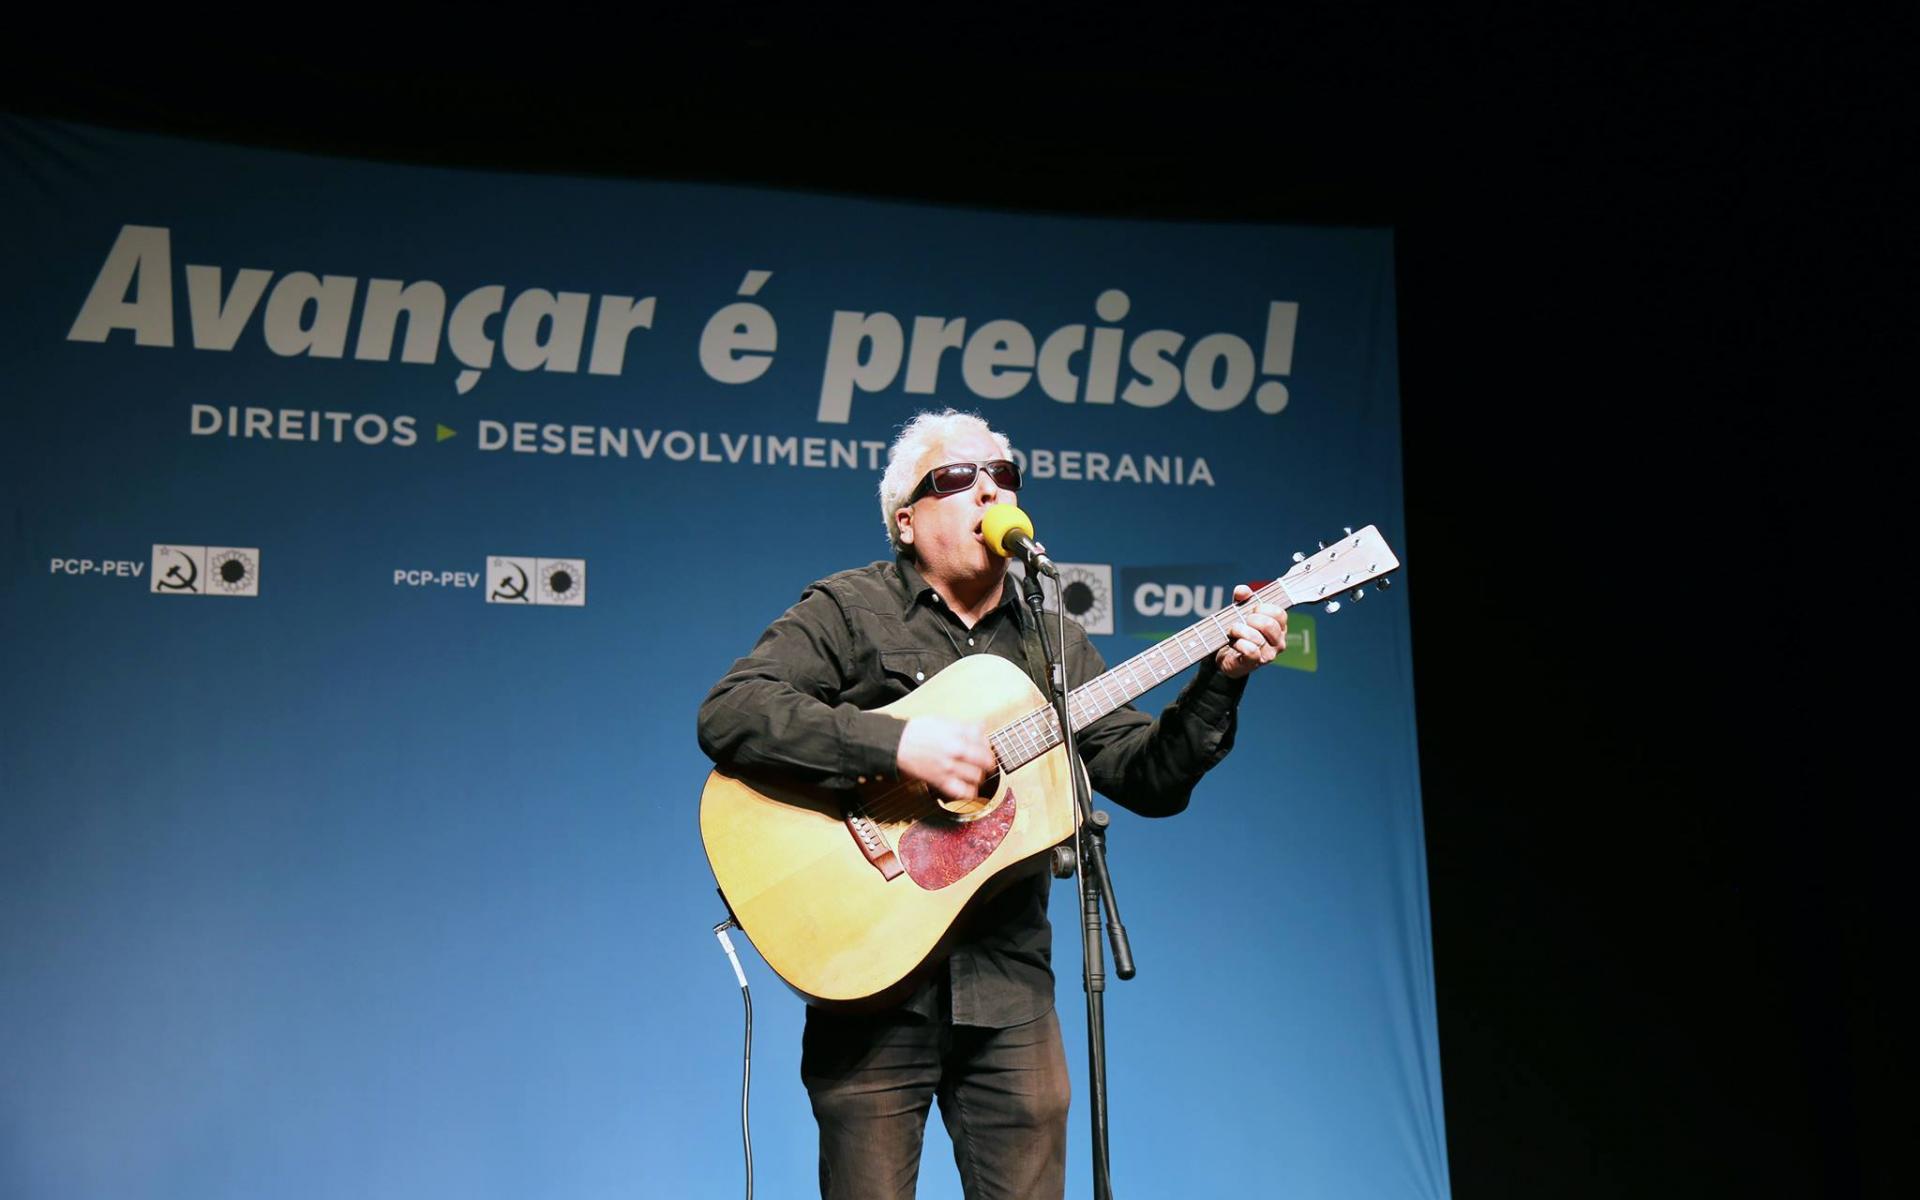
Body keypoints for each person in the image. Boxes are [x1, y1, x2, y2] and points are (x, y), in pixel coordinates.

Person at [696, 408, 1288, 1200]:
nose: (988, 491)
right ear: (906, 522)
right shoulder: (850, 609)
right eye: (955, 478)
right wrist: (896, 746)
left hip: (1010, 993)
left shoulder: (1053, 641)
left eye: (1002, 476)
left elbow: (1148, 779)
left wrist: (1222, 678)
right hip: (870, 984)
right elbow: (732, 711)